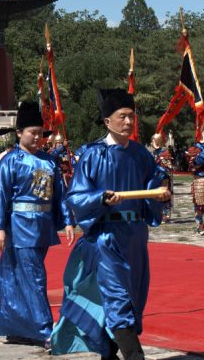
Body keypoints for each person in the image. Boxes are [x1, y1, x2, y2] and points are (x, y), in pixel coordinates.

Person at [51, 89, 170, 359]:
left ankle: (108, 352)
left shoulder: (141, 155)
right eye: (122, 117)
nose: (128, 122)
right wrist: (101, 199)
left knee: (133, 297)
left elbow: (151, 187)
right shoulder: (92, 155)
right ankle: (134, 356)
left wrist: (159, 193)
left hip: (135, 236)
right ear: (107, 121)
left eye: (131, 117)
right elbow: (77, 196)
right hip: (106, 237)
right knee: (117, 298)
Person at [0, 102, 74, 348]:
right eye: (32, 133)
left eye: (40, 133)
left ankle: (19, 327)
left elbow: (60, 193)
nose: (37, 138)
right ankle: (46, 330)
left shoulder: (49, 162)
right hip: (19, 227)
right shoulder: (10, 162)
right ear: (19, 133)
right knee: (35, 277)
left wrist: (67, 221)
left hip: (43, 225)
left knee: (20, 276)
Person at [150, 133, 174, 223]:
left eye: (153, 140)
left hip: (163, 178)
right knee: (154, 196)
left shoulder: (164, 152)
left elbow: (168, 167)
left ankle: (165, 215)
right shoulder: (152, 153)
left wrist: (160, 167)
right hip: (154, 178)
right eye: (152, 140)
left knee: (165, 196)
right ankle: (157, 214)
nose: (152, 142)